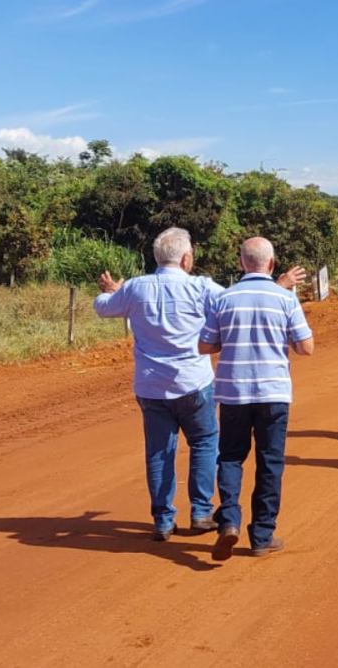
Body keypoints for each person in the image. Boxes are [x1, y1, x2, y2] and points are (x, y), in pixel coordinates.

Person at [93, 227, 223, 542]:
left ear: (156, 257)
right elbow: (232, 304)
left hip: (151, 387)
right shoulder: (201, 287)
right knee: (205, 443)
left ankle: (164, 521)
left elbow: (103, 307)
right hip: (194, 383)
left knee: (159, 452)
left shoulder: (136, 288)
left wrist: (110, 291)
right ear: (187, 258)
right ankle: (201, 512)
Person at [198, 237, 314, 560]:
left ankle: (230, 522)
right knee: (270, 462)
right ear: (273, 264)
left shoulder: (224, 298)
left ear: (241, 263)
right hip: (273, 393)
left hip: (233, 392)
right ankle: (262, 535)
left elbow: (204, 346)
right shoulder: (285, 299)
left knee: (231, 457)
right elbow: (306, 347)